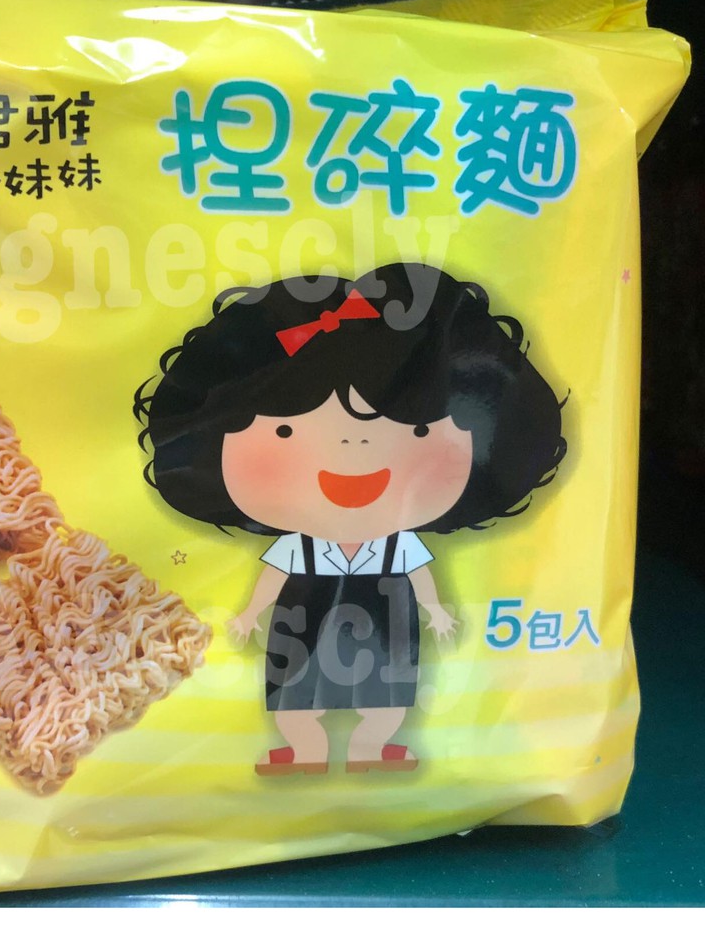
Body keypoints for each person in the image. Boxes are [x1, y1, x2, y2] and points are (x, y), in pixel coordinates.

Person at [135, 262, 566, 775]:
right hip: (303, 613)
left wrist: (435, 609)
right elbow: (275, 575)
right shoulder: (303, 544)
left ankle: (372, 746)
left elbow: (419, 575)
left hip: (387, 614)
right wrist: (251, 612)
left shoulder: (395, 543)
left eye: (417, 431)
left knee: (386, 696)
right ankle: (304, 749)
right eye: (287, 432)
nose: (352, 449)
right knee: (296, 693)